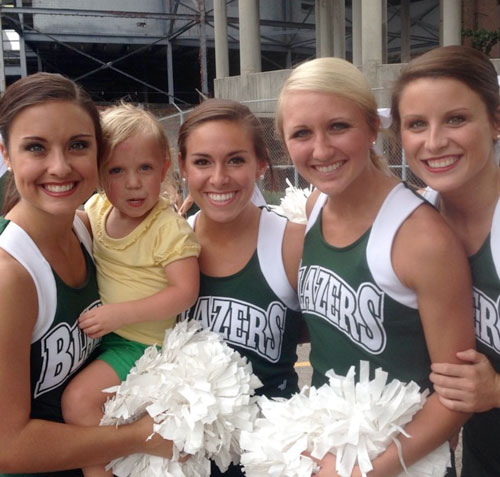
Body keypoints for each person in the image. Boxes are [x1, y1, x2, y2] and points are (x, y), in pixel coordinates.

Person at [276, 57, 476, 477]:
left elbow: (457, 395)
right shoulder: (314, 208)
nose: (322, 150)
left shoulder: (422, 239)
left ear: (372, 127)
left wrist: (365, 472)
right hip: (326, 448)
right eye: (301, 134)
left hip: (402, 459)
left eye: (338, 126)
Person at [0, 73, 179, 477]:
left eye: (78, 145)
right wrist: (139, 437)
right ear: (6, 155)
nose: (60, 166)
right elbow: (7, 447)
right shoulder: (10, 276)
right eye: (35, 148)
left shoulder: (88, 229)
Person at [60, 103, 200, 477]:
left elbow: (184, 292)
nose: (133, 183)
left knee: (78, 402)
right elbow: (74, 225)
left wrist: (120, 314)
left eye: (145, 168)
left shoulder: (167, 229)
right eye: (117, 171)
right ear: (99, 175)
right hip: (104, 337)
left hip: (141, 344)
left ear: (165, 167)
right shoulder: (98, 206)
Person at [177, 98, 305, 476]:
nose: (219, 178)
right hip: (186, 458)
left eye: (235, 160)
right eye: (202, 162)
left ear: (260, 164)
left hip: (269, 458)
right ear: (182, 167)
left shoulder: (291, 242)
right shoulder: (166, 246)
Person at [392, 44, 500, 476]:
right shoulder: (418, 222)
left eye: (456, 118)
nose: (434, 142)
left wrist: (496, 390)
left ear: (495, 120)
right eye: (417, 124)